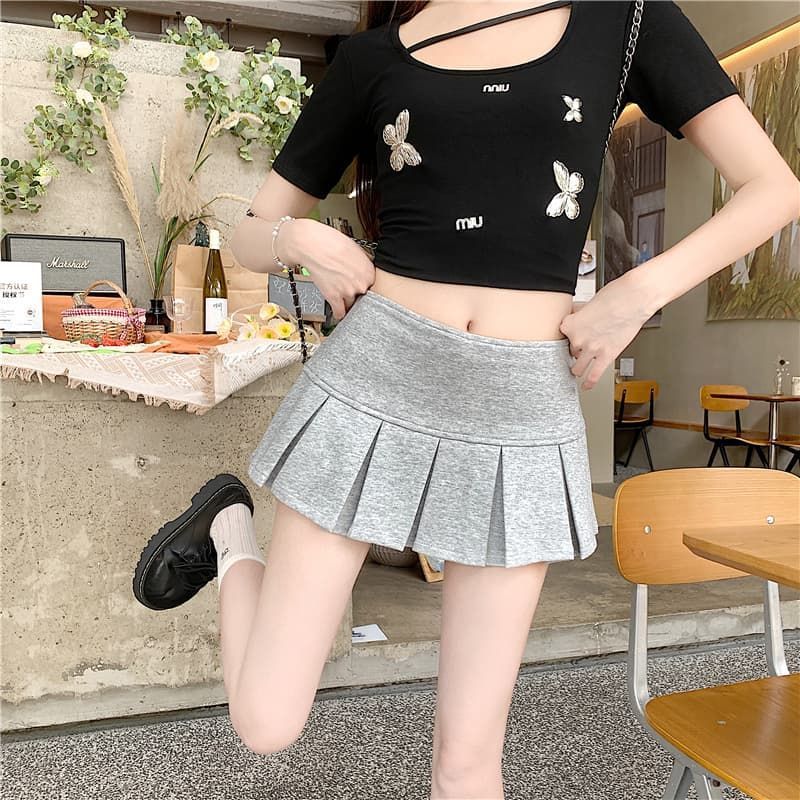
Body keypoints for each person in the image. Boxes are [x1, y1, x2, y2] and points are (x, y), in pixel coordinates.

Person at [132, 2, 800, 798]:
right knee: (265, 722)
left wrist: (636, 293)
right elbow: (251, 232)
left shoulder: (625, 19)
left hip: (521, 405)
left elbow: (773, 188)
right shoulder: (371, 59)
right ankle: (229, 528)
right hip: (377, 378)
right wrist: (299, 239)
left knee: (469, 762)